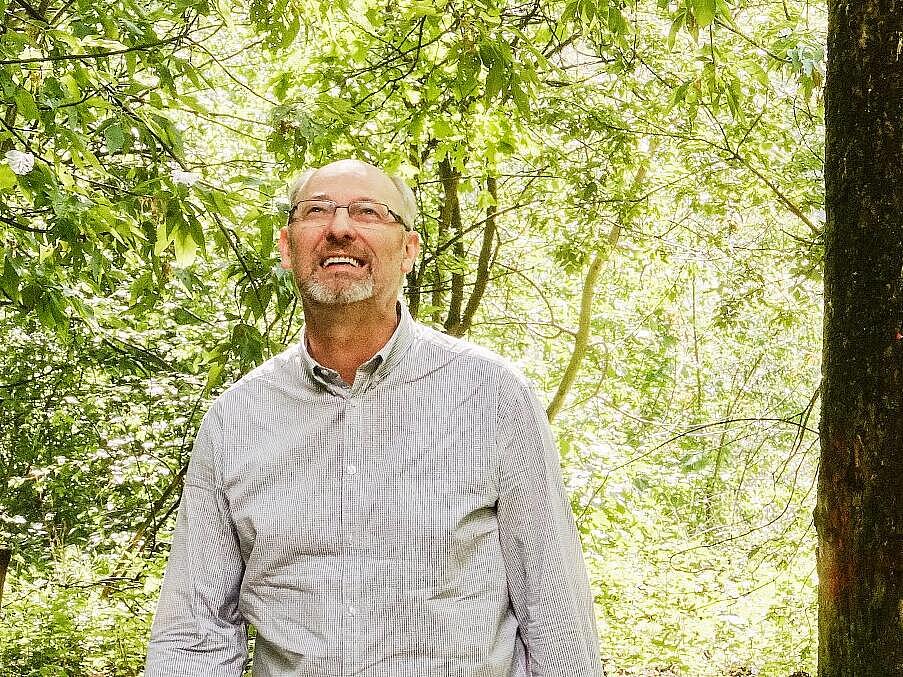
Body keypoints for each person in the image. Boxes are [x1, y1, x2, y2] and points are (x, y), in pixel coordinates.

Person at [145, 159, 603, 677]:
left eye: (367, 212)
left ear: (408, 250)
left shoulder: (493, 395)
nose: (340, 228)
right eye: (317, 211)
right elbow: (194, 631)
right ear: (287, 246)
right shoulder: (236, 419)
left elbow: (555, 612)